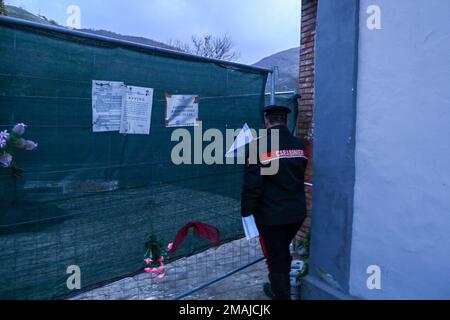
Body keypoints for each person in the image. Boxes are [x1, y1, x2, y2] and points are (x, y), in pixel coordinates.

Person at [241, 105, 308, 300]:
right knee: (281, 253)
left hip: (272, 217)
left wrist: (246, 212)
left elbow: (252, 186)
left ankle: (282, 295)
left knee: (276, 259)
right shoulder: (299, 145)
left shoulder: (258, 146)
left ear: (266, 122)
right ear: (285, 121)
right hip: (296, 213)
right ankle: (279, 288)